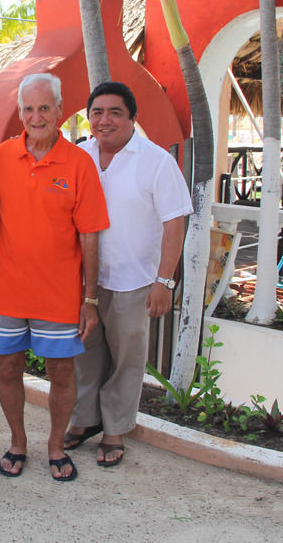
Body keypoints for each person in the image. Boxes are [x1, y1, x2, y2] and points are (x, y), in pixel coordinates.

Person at [0, 73, 109, 482]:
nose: (35, 116)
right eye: (28, 108)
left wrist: (89, 299)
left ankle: (55, 445)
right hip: (7, 292)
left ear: (59, 110)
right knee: (7, 370)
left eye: (44, 107)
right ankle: (17, 441)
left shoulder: (79, 163)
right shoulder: (2, 156)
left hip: (59, 295)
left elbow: (90, 236)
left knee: (61, 373)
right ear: (20, 112)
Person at [63, 81, 192, 467]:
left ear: (132, 118)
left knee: (126, 358)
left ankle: (115, 429)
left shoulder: (156, 161)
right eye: (97, 112)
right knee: (85, 353)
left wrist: (164, 281)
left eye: (115, 112)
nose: (105, 121)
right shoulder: (79, 155)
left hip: (135, 281)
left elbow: (174, 224)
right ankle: (85, 420)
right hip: (86, 280)